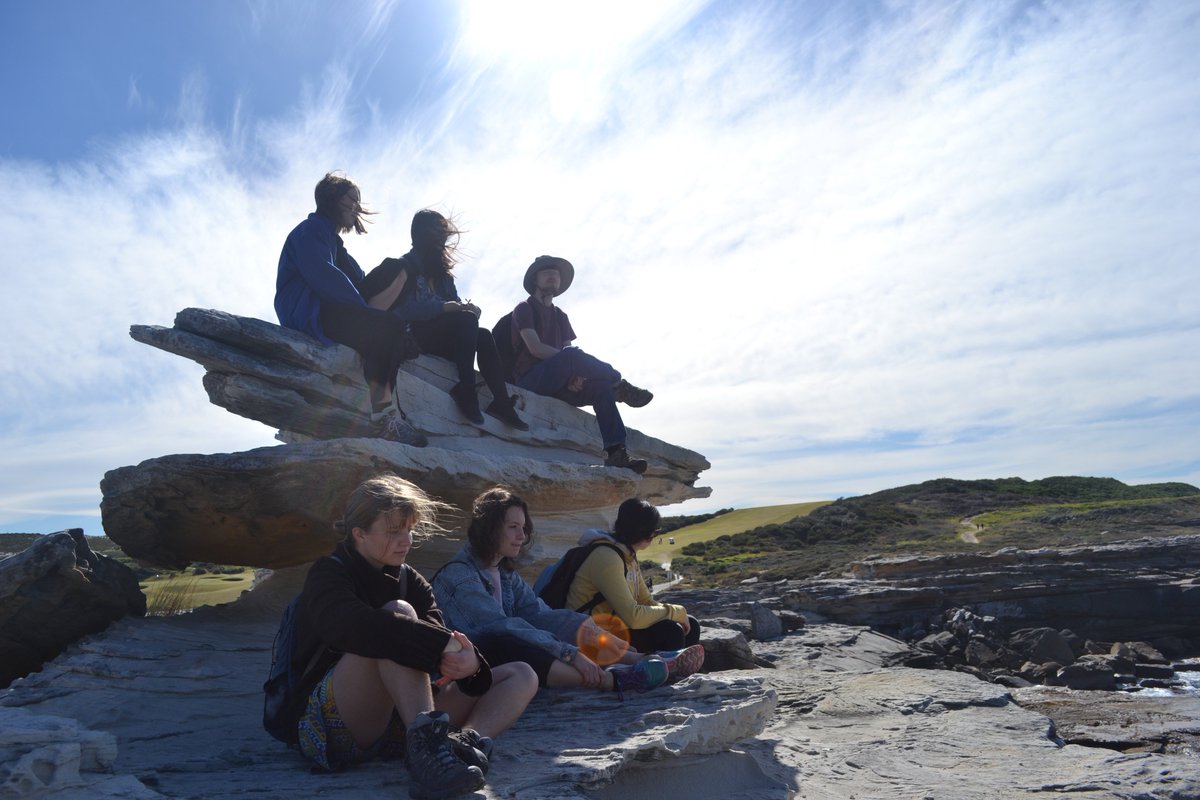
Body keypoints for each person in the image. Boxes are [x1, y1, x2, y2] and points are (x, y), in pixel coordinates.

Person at [286, 475, 538, 799]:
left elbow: (437, 643)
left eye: (409, 530)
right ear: (359, 534)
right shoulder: (329, 574)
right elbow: (355, 628)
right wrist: (443, 646)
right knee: (398, 614)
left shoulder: (411, 580)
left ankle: (463, 743)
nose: (406, 540)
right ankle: (430, 753)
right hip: (337, 724)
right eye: (394, 531)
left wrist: (470, 664)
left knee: (521, 674)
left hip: (402, 723)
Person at [432, 487, 688, 697]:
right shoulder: (460, 577)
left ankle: (642, 660)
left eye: (524, 527)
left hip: (507, 657)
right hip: (470, 674)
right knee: (514, 644)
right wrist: (571, 654)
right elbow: (505, 628)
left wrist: (588, 629)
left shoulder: (504, 573)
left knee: (565, 621)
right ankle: (613, 680)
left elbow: (540, 614)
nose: (522, 536)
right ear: (489, 528)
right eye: (512, 527)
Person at [274, 172, 424, 445]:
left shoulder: (335, 243)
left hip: (327, 307)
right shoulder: (310, 230)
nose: (357, 206)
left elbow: (358, 279)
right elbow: (323, 276)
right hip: (309, 310)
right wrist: (368, 314)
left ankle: (390, 349)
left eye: (358, 201)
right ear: (332, 198)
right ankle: (384, 419)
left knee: (395, 277)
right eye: (351, 199)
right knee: (387, 327)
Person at [365, 210, 527, 430]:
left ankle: (501, 402)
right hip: (413, 334)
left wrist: (465, 308)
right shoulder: (405, 266)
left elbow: (456, 308)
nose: (442, 241)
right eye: (436, 234)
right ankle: (466, 390)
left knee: (482, 335)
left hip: (443, 337)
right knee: (466, 321)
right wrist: (444, 308)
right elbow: (401, 310)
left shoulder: (444, 278)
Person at [507, 256, 653, 472]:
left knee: (601, 387)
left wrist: (577, 376)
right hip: (530, 380)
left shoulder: (561, 316)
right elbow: (535, 348)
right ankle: (619, 384)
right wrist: (571, 363)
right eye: (546, 273)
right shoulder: (524, 308)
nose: (553, 276)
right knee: (573, 356)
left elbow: (569, 354)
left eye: (556, 274)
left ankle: (616, 452)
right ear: (534, 279)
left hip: (559, 383)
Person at [565, 498, 702, 654]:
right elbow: (633, 617)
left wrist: (677, 614)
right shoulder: (606, 557)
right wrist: (676, 612)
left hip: (612, 627)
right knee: (670, 631)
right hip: (589, 635)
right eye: (656, 532)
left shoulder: (627, 555)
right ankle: (666, 669)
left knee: (691, 625)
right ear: (647, 533)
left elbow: (645, 601)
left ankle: (680, 667)